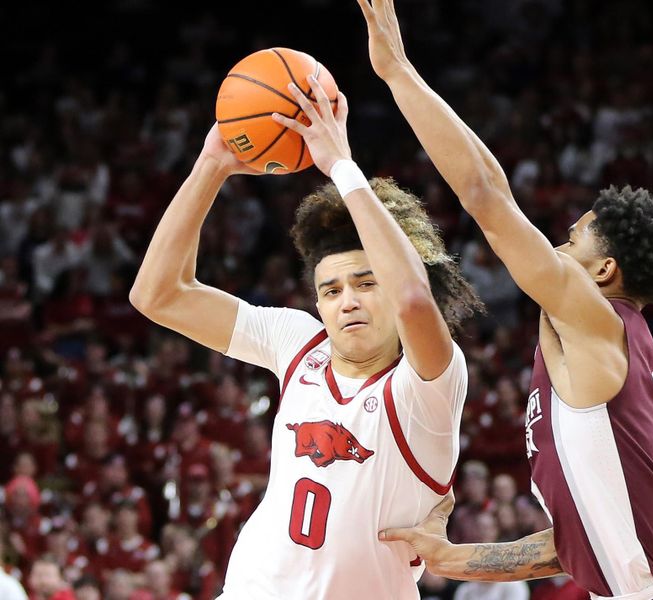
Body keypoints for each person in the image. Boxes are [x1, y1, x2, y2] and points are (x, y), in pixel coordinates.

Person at [356, 0, 653, 597]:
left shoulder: (596, 320)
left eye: (573, 237)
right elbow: (576, 542)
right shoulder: (605, 347)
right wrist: (457, 560)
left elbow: (485, 195)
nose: (555, 244)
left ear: (603, 271)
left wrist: (398, 72)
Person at [129, 71, 482, 598]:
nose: (349, 301)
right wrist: (212, 166)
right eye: (332, 290)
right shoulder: (299, 343)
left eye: (367, 283)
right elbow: (156, 295)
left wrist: (341, 163)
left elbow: (413, 299)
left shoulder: (428, 385)